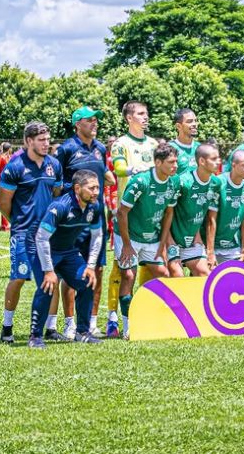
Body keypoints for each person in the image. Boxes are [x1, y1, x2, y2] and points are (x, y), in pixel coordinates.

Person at [0, 122, 63, 344]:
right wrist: (19, 223)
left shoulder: (54, 164)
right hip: (23, 233)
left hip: (48, 233)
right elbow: (3, 203)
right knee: (19, 277)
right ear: (28, 141)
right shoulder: (14, 167)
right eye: (41, 140)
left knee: (51, 278)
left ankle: (50, 327)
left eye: (47, 139)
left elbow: (56, 194)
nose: (46, 143)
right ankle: (7, 327)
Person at [55, 106, 115, 338]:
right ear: (77, 124)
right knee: (72, 272)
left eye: (96, 120)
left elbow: (105, 175)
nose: (94, 124)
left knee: (97, 269)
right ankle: (70, 323)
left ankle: (90, 322)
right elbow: (57, 186)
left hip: (96, 219)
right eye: (89, 120)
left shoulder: (100, 148)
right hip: (73, 221)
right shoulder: (66, 149)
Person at [29, 170, 104, 348]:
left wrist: (91, 266)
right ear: (77, 188)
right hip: (44, 249)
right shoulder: (61, 206)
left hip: (68, 251)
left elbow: (97, 236)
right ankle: (35, 336)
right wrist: (48, 270)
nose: (96, 192)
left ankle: (82, 332)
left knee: (88, 281)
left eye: (98, 188)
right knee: (47, 286)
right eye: (91, 188)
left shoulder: (95, 206)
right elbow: (41, 238)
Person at [115, 142, 179, 340]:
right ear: (158, 163)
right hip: (128, 236)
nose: (175, 165)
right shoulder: (140, 181)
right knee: (128, 276)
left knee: (162, 273)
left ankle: (161, 320)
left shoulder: (173, 182)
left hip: (152, 236)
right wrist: (126, 244)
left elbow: (169, 213)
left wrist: (162, 245)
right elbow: (121, 212)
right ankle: (128, 326)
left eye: (176, 161)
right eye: (171, 162)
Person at [106, 101, 158, 338]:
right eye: (140, 114)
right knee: (124, 271)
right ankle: (115, 320)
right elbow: (118, 168)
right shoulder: (120, 143)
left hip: (152, 217)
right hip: (128, 215)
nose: (145, 117)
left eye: (146, 113)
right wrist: (134, 171)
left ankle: (150, 317)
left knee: (154, 270)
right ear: (129, 118)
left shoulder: (154, 144)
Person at [164, 143, 221, 277]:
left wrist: (209, 250)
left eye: (218, 158)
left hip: (192, 239)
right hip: (170, 238)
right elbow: (163, 214)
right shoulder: (182, 182)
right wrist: (169, 242)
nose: (218, 162)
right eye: (214, 159)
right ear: (201, 161)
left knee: (206, 276)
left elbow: (209, 218)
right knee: (178, 275)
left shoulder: (216, 183)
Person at [206, 150, 244, 267]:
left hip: (233, 245)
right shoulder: (218, 182)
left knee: (242, 275)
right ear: (233, 165)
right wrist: (210, 252)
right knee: (206, 277)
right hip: (212, 244)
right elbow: (210, 220)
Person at [170, 108, 200, 176]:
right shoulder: (170, 149)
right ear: (178, 126)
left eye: (195, 121)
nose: (194, 124)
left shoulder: (200, 148)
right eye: (189, 121)